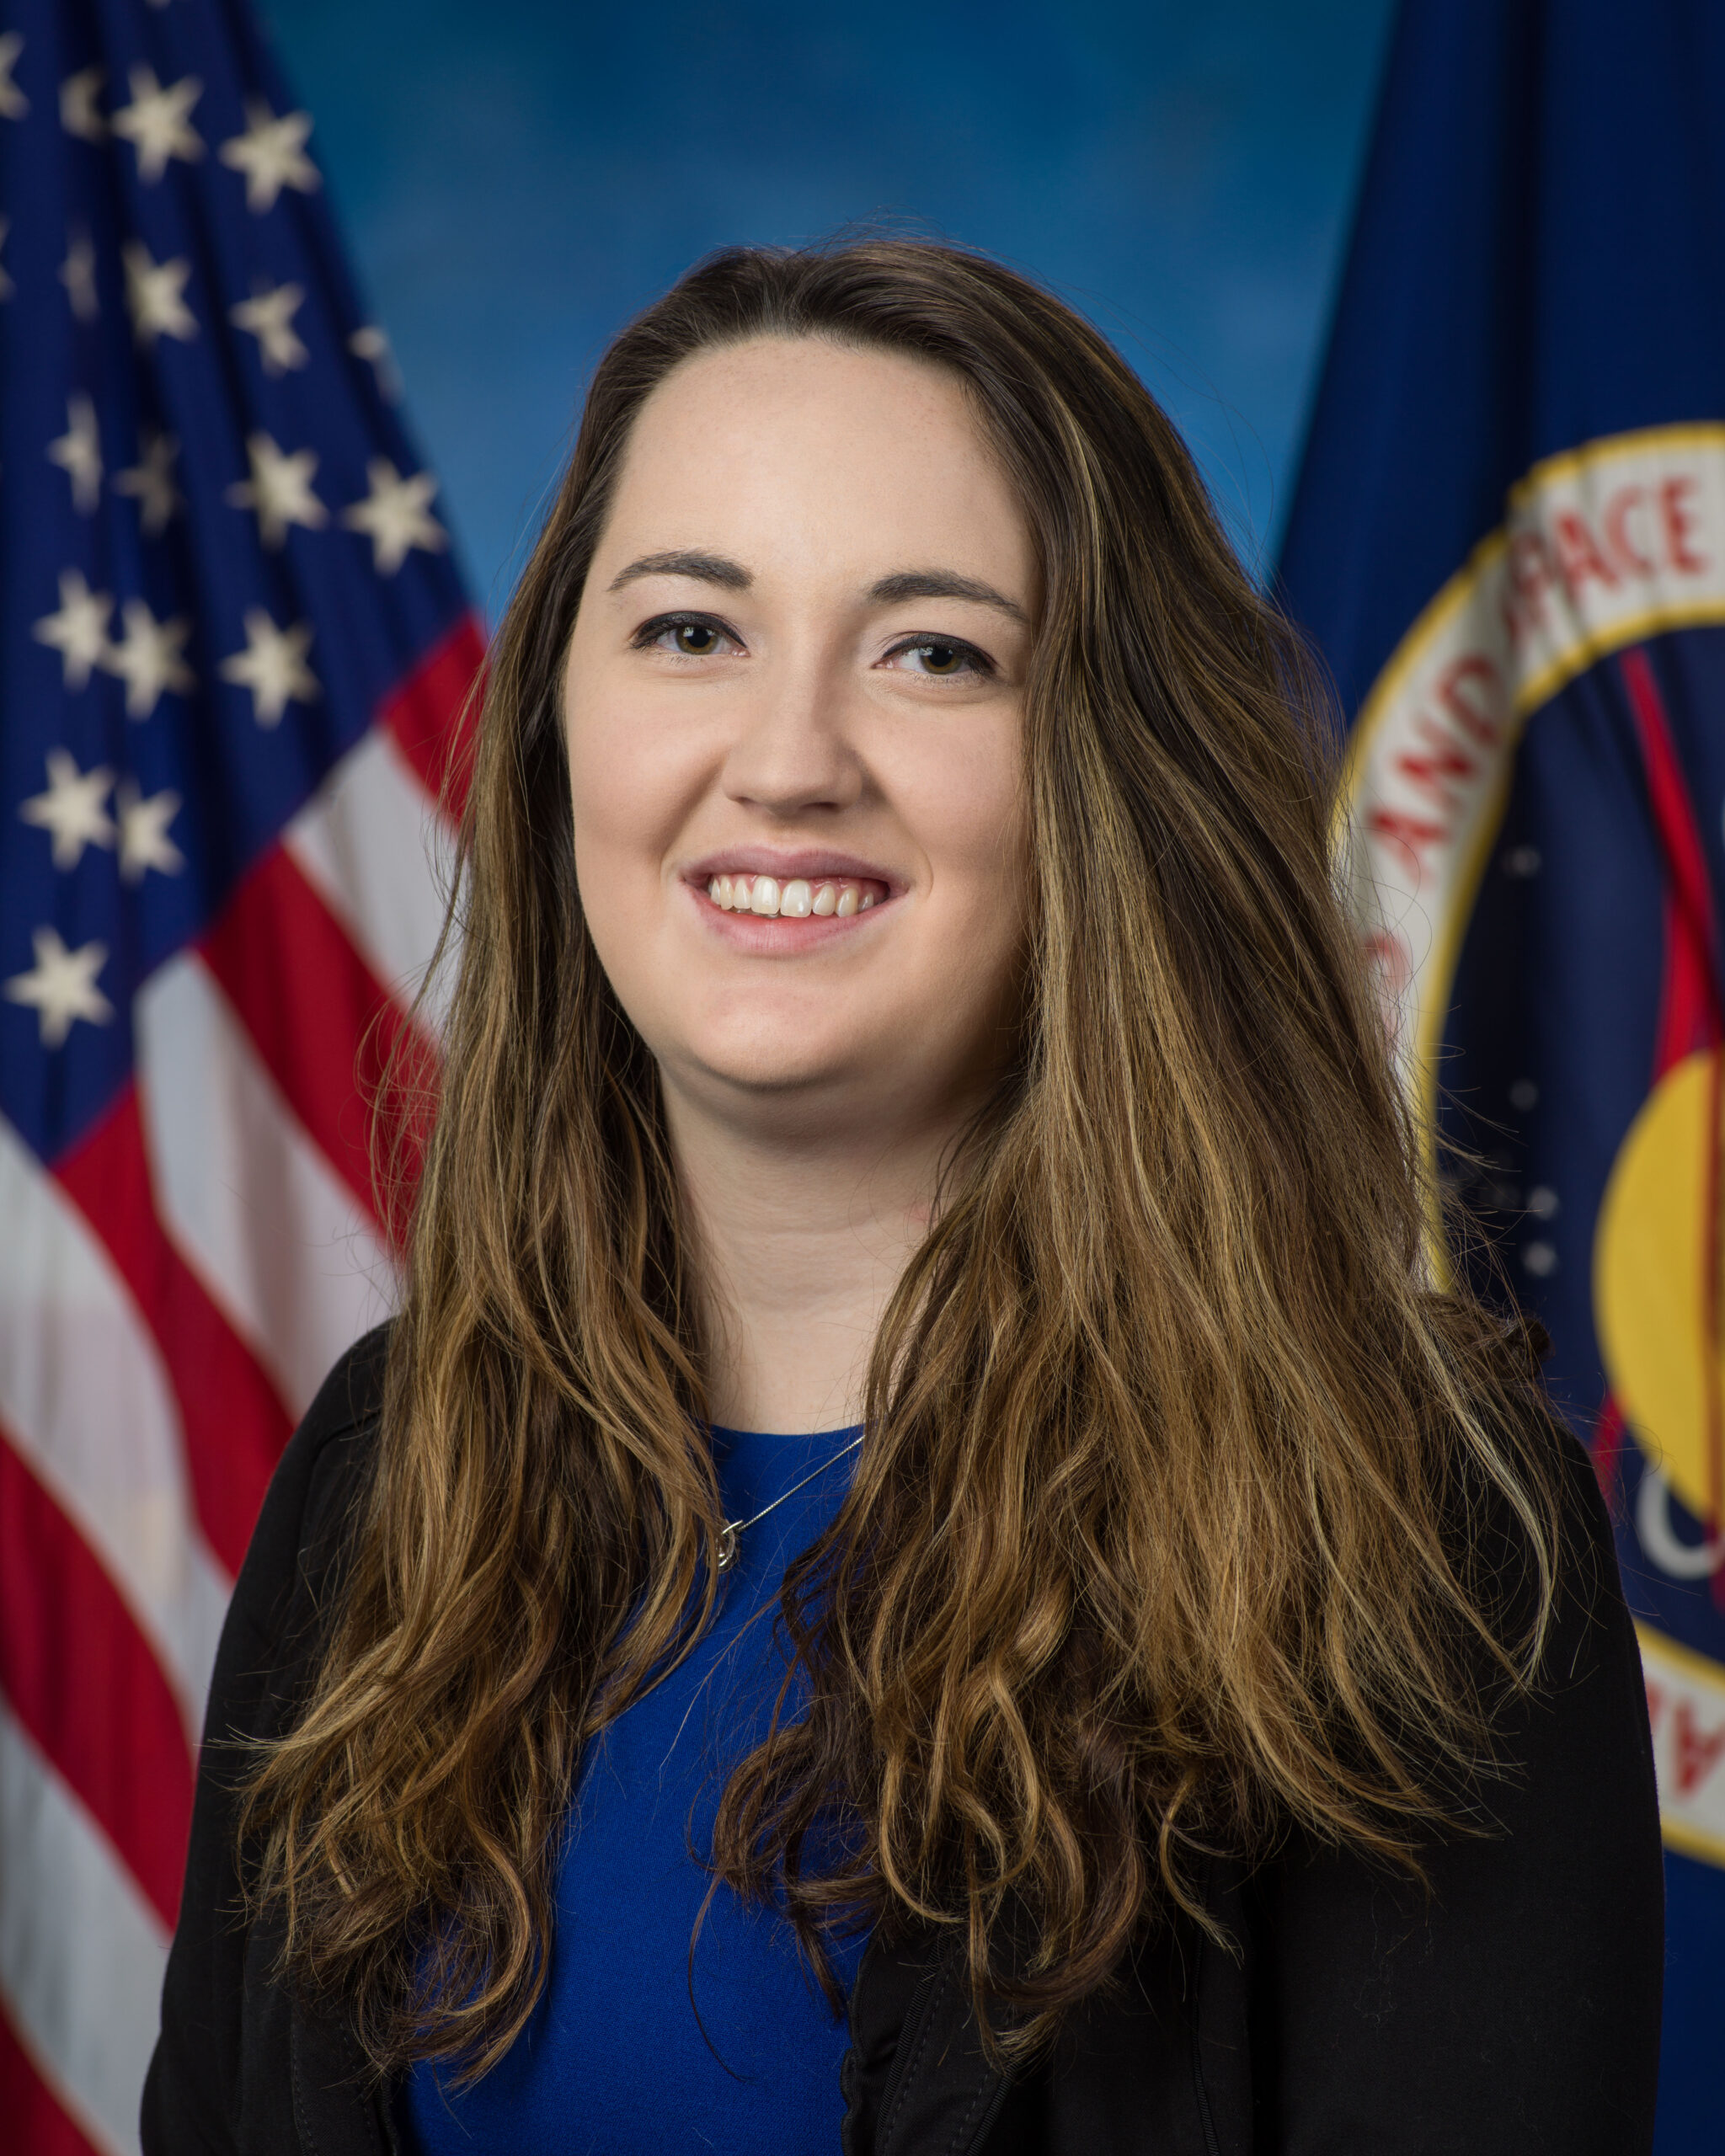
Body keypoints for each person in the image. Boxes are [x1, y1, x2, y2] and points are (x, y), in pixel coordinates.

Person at [142, 240, 1664, 2156]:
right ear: (553, 735)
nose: (786, 763)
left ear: (1105, 776)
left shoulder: (1406, 1527)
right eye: (691, 629)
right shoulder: (388, 1468)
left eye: (932, 649)